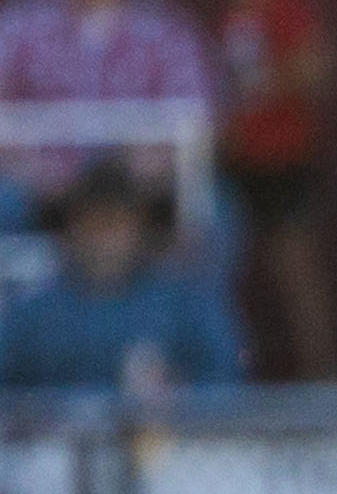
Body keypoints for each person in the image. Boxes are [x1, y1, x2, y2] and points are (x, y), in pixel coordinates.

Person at [0, 0, 216, 200]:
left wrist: (137, 172)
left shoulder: (167, 30)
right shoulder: (19, 25)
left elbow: (199, 114)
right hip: (35, 187)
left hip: (145, 186)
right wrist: (40, 173)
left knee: (215, 211)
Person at [208, 0, 337, 380]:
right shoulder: (231, 19)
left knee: (296, 271)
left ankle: (325, 370)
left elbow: (319, 70)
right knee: (228, 269)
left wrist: (272, 79)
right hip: (242, 163)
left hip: (284, 159)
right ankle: (233, 369)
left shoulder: (288, 9)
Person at [0, 159, 239, 388]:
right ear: (69, 229)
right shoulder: (34, 312)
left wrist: (177, 388)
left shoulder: (185, 304)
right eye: (90, 223)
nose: (103, 238)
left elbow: (227, 377)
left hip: (163, 429)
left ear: (141, 229)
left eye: (115, 223)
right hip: (56, 430)